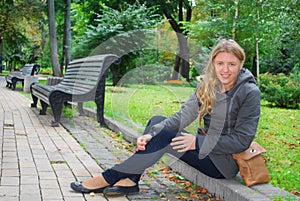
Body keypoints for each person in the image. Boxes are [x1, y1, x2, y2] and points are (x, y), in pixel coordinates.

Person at [70, 39, 261, 196]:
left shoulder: (249, 92)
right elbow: (183, 116)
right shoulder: (208, 85)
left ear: (240, 64)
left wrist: (197, 142)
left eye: (231, 64)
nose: (225, 70)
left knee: (165, 136)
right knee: (157, 122)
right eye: (220, 63)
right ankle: (130, 180)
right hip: (204, 149)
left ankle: (109, 176)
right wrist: (151, 133)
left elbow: (242, 140)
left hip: (222, 162)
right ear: (213, 64)